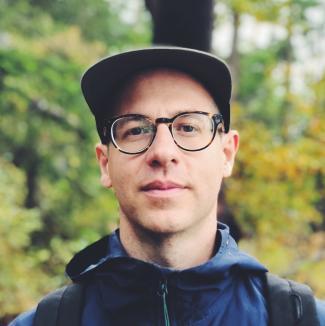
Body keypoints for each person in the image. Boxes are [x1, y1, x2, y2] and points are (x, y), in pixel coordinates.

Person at [10, 47, 325, 325]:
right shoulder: (45, 323)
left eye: (188, 126)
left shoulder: (305, 320)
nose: (162, 152)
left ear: (227, 154)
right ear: (105, 164)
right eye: (135, 130)